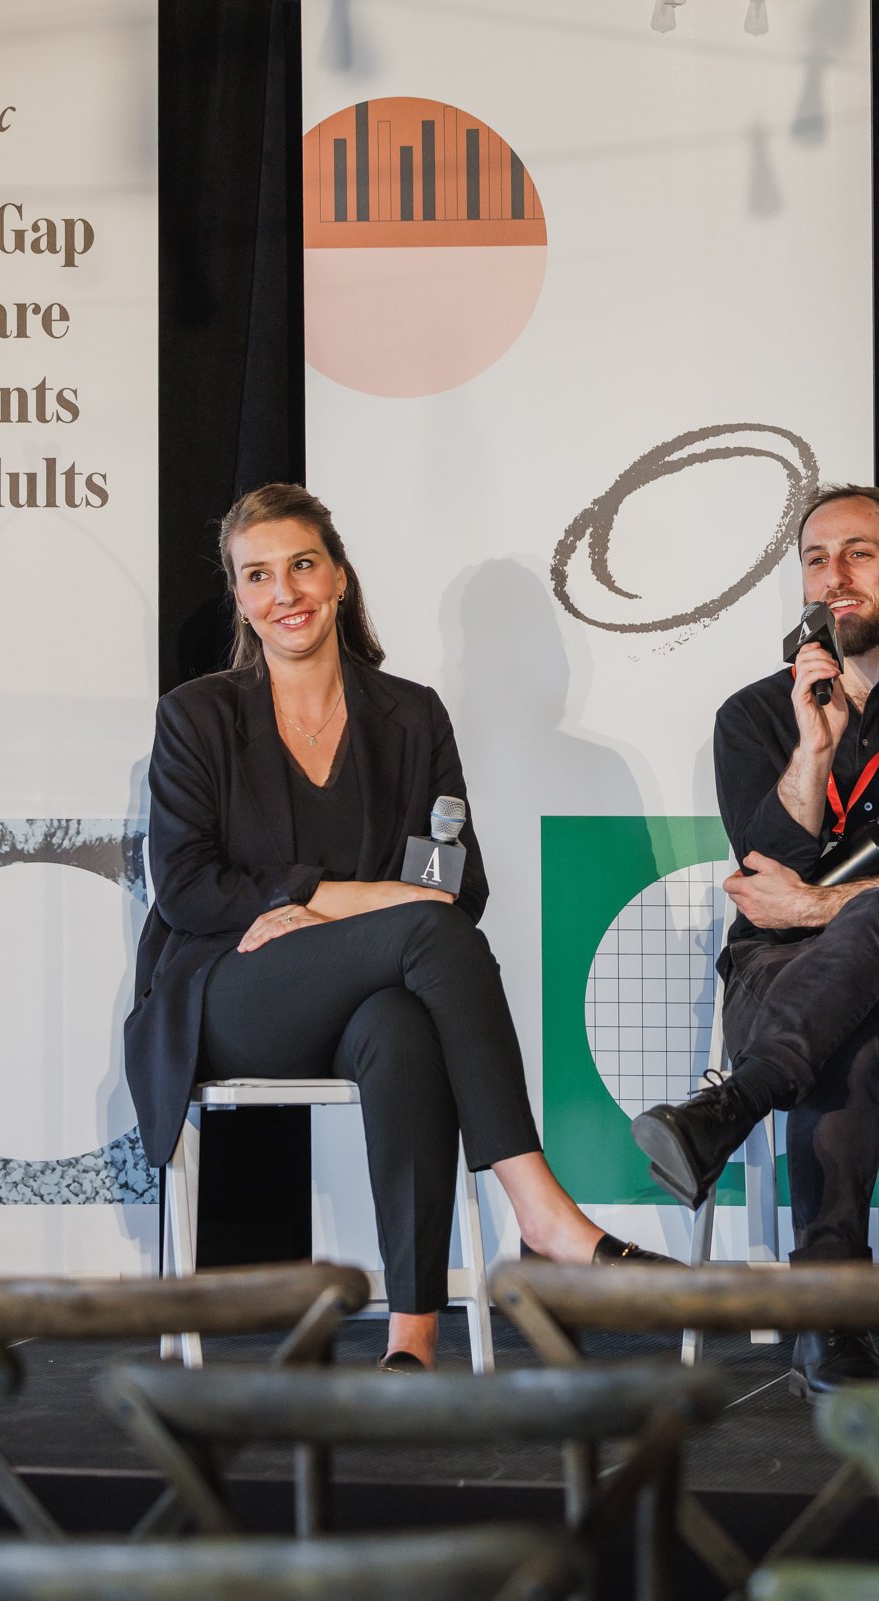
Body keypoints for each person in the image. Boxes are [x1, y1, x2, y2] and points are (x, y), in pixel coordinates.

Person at [125, 484, 674, 1372]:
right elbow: (189, 890)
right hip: (230, 991)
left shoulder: (410, 714)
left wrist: (316, 904)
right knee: (426, 933)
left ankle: (411, 1339)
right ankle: (545, 1216)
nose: (285, 591)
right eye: (257, 575)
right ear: (239, 597)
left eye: (302, 564)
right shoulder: (197, 716)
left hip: (360, 1000)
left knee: (406, 1026)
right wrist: (352, 896)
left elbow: (457, 878)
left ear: (338, 576)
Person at [631, 484, 879, 1397]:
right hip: (782, 982)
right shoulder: (755, 717)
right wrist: (812, 747)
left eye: (859, 554)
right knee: (845, 1029)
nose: (835, 576)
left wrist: (821, 908)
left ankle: (729, 1107)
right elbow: (768, 861)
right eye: (816, 560)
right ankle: (831, 1329)